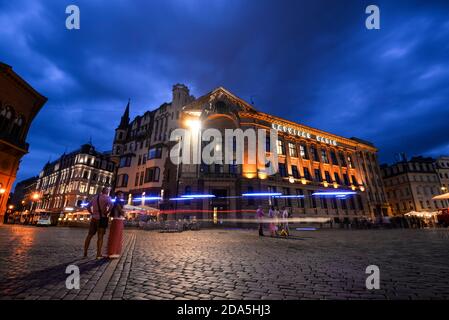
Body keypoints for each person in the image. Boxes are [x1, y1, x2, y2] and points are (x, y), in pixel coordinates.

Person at [84, 187, 113, 259]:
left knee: (89, 235)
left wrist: (92, 213)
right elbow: (111, 205)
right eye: (107, 190)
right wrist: (107, 212)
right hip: (102, 218)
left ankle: (85, 252)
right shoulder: (107, 198)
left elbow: (88, 207)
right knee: (100, 237)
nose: (108, 192)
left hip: (93, 218)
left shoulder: (95, 197)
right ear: (106, 191)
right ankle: (98, 254)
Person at [107, 191, 126, 259]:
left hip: (116, 219)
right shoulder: (118, 202)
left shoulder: (116, 202)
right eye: (120, 195)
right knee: (116, 236)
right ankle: (113, 251)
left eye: (122, 195)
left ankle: (111, 251)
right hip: (118, 219)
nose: (122, 196)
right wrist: (124, 211)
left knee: (114, 235)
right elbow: (121, 212)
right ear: (117, 195)